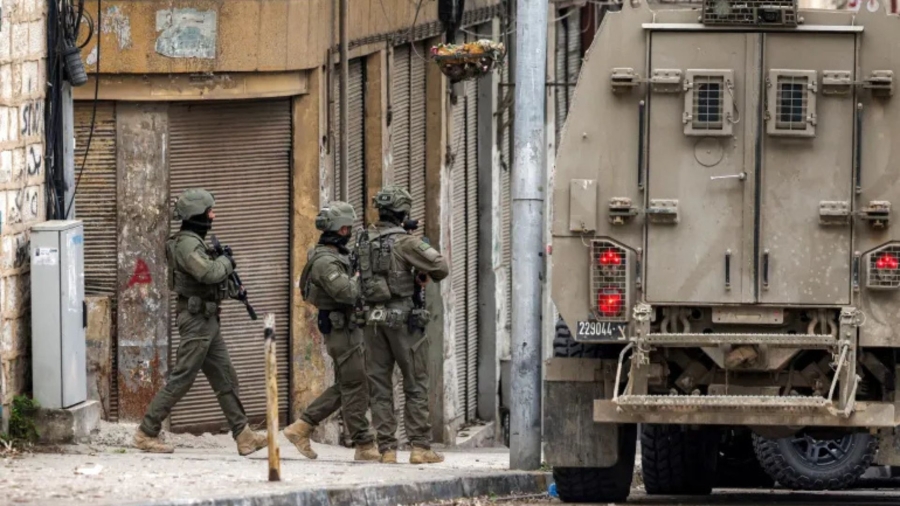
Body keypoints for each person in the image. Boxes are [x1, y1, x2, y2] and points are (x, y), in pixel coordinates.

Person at [133, 188, 267, 455]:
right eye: (209, 211)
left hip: (207, 321)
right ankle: (146, 432)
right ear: (197, 214)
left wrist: (233, 289)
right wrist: (227, 262)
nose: (213, 216)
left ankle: (244, 435)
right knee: (182, 378)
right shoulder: (186, 244)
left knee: (225, 377)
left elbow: (209, 281)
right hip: (196, 321)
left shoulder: (195, 242)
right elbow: (207, 273)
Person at [283, 201, 380, 462]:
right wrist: (362, 274)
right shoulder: (325, 261)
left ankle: (302, 427)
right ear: (342, 229)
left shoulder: (336, 255)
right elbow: (347, 292)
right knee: (355, 384)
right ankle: (363, 443)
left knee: (351, 383)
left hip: (348, 328)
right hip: (341, 331)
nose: (350, 232)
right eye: (348, 227)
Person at [362, 186, 449, 464]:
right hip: (404, 321)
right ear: (403, 212)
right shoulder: (406, 243)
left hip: (373, 321)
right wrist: (419, 268)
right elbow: (441, 267)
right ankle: (420, 447)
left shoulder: (363, 240)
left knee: (380, 386)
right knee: (415, 382)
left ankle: (387, 449)